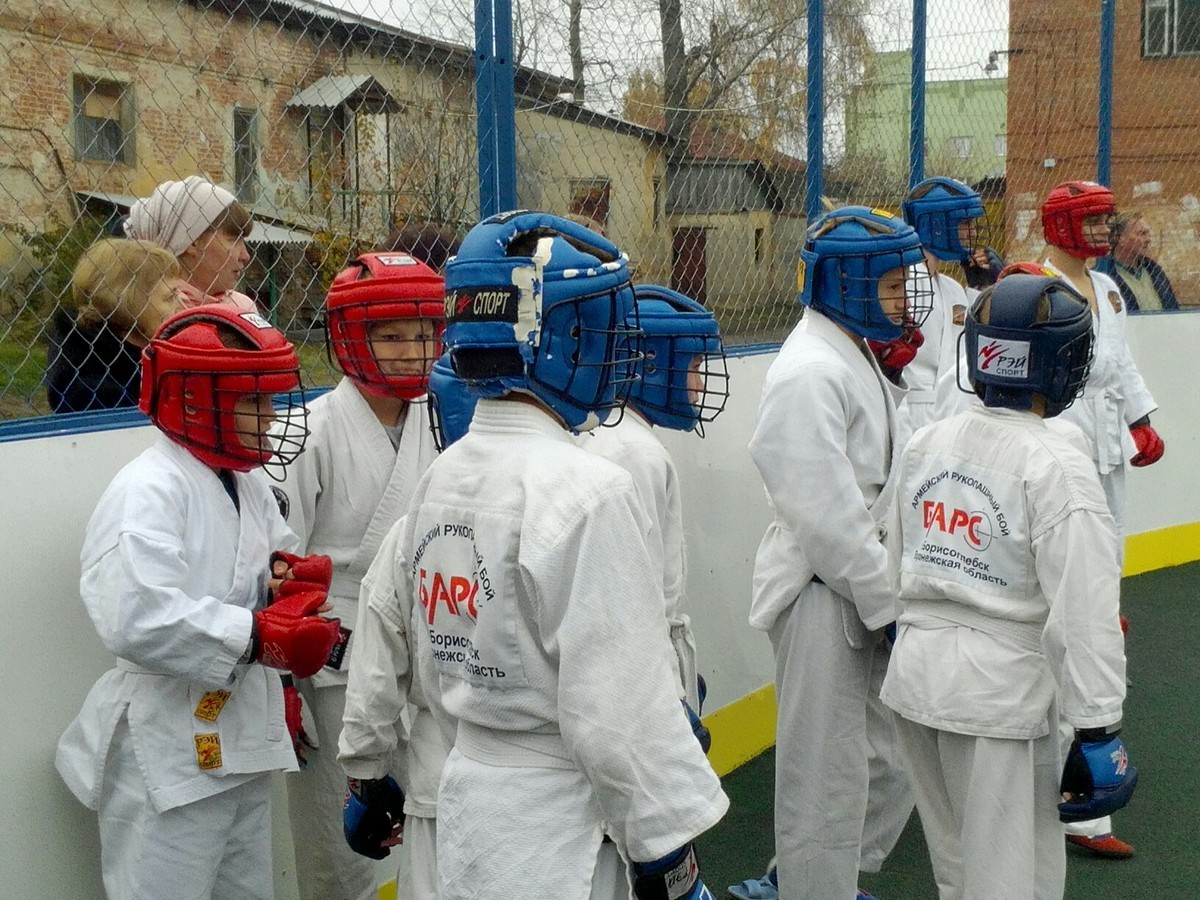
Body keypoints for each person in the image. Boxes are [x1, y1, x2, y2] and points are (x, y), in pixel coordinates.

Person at [383, 211, 728, 900]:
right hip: (561, 826)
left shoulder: (441, 478)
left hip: (472, 799)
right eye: (600, 330)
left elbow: (428, 652)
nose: (613, 352)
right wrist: (666, 856)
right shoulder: (587, 491)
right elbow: (614, 713)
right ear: (561, 340)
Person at [55, 304, 341, 899]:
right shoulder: (147, 490)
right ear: (195, 400)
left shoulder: (245, 482)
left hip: (241, 736)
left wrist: (289, 584)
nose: (271, 417)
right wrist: (257, 636)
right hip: (166, 747)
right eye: (253, 402)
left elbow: (271, 562)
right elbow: (134, 615)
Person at [880, 273, 1136, 899]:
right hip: (1000, 700)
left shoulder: (928, 443)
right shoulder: (1057, 466)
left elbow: (892, 563)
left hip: (917, 680)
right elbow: (1085, 610)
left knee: (958, 872)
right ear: (1062, 364)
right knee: (1012, 881)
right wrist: (1099, 725)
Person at [747, 206, 932, 900]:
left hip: (866, 579)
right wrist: (886, 605)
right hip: (823, 590)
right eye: (890, 285)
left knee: (894, 755)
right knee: (822, 772)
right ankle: (808, 889)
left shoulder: (851, 350)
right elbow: (823, 513)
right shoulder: (809, 370)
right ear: (846, 285)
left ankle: (823, 879)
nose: (904, 299)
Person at [275, 251, 443, 900]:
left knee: (429, 817)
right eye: (392, 336)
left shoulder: (443, 416)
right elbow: (279, 565)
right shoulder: (307, 430)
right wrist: (283, 681)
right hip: (334, 656)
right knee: (339, 848)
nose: (412, 352)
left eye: (424, 334)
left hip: (429, 641)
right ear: (350, 338)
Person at [1040, 180, 1159, 858]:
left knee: (1100, 607)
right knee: (1070, 620)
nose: (1103, 232)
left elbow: (1122, 366)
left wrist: (1141, 418)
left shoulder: (1109, 289)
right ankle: (1070, 799)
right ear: (1062, 226)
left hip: (1108, 457)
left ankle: (1084, 790)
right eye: (1091, 221)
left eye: (1106, 222)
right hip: (1060, 457)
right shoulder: (1034, 288)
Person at [580, 283, 728, 719]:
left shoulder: (611, 432)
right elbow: (638, 597)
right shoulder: (634, 453)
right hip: (638, 671)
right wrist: (668, 691)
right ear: (653, 366)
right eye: (693, 368)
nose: (699, 386)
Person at [47, 238, 194, 413]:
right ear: (130, 305)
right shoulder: (89, 386)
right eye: (170, 297)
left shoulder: (148, 352)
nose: (184, 301)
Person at [125, 175, 258, 311]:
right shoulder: (156, 312)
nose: (246, 256)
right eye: (233, 240)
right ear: (192, 241)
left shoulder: (243, 305)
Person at [1094, 211, 1180, 312]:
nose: (1148, 239)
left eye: (1147, 233)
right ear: (1120, 239)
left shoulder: (1155, 272)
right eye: (1142, 234)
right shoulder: (1103, 275)